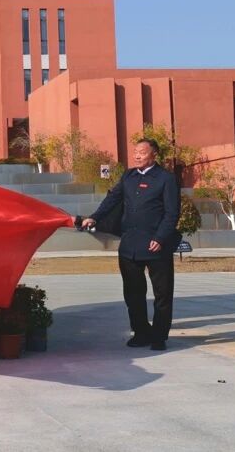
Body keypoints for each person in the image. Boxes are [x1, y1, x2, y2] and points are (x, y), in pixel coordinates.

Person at [79, 139, 181, 351]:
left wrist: (160, 238)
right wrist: (95, 217)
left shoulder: (166, 178)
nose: (137, 156)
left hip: (156, 246)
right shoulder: (128, 176)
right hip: (130, 245)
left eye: (142, 152)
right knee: (133, 294)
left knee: (162, 294)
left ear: (154, 154)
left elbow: (172, 213)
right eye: (135, 152)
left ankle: (159, 336)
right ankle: (141, 332)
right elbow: (112, 200)